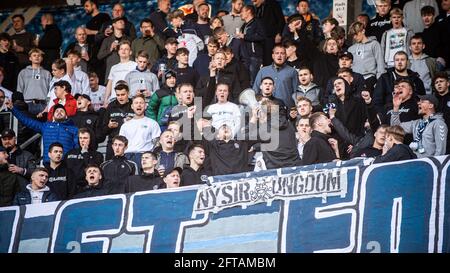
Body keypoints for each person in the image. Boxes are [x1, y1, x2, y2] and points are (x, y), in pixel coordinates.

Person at [8, 102, 79, 164]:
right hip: (49, 162)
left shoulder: (73, 129)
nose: (59, 112)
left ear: (66, 115)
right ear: (53, 116)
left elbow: (77, 147)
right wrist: (13, 109)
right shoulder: (45, 126)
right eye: (57, 111)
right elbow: (27, 121)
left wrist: (74, 160)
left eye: (62, 111)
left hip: (67, 162)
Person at [373, 51, 426, 115]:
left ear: (407, 62)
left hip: (412, 114)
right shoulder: (385, 78)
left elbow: (423, 99)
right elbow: (377, 100)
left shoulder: (416, 79)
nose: (399, 62)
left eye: (402, 60)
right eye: (397, 60)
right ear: (394, 62)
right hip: (390, 113)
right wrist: (381, 115)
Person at [119, 94, 161, 166]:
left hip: (144, 156)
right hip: (127, 156)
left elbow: (157, 144)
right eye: (136, 103)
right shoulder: (125, 125)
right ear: (132, 106)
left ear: (145, 106)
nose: (139, 105)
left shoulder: (153, 123)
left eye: (141, 103)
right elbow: (121, 144)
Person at [253, 44, 299, 109]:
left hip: (286, 110)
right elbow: (255, 90)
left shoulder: (292, 72)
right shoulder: (263, 71)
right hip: (264, 110)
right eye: (277, 53)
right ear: (273, 56)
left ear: (286, 56)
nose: (279, 55)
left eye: (282, 53)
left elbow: (296, 93)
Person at [65, 128, 103, 197]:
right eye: (80, 138)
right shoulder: (70, 153)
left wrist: (85, 153)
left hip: (88, 188)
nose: (82, 140)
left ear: (91, 139)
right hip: (71, 188)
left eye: (85, 138)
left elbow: (93, 168)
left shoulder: (98, 155)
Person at [348, 21, 385, 92]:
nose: (354, 37)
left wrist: (380, 81)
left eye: (356, 34)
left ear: (363, 31)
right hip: (355, 80)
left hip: (369, 78)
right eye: (353, 35)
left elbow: (380, 63)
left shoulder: (374, 44)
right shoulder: (351, 49)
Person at [16, 48, 51, 115]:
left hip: (43, 104)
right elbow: (19, 90)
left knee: (42, 124)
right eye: (34, 55)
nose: (37, 57)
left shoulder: (47, 73)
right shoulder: (23, 72)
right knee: (27, 124)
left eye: (39, 55)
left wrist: (48, 104)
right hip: (27, 103)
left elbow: (50, 90)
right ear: (30, 58)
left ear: (42, 58)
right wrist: (21, 104)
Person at [433, 72, 450, 154]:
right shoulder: (432, 101)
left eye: (441, 81)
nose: (439, 84)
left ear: (448, 83)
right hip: (439, 137)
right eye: (436, 82)